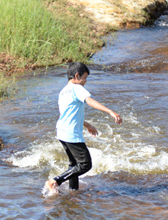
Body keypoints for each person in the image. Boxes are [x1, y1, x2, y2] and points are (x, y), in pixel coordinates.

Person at [43, 62, 122, 196]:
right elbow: (90, 101)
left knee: (74, 164)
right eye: (84, 78)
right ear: (77, 75)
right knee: (85, 164)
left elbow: (67, 114)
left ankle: (73, 191)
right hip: (71, 134)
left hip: (62, 132)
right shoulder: (77, 88)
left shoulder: (63, 91)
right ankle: (55, 181)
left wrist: (87, 125)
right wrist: (110, 112)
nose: (85, 81)